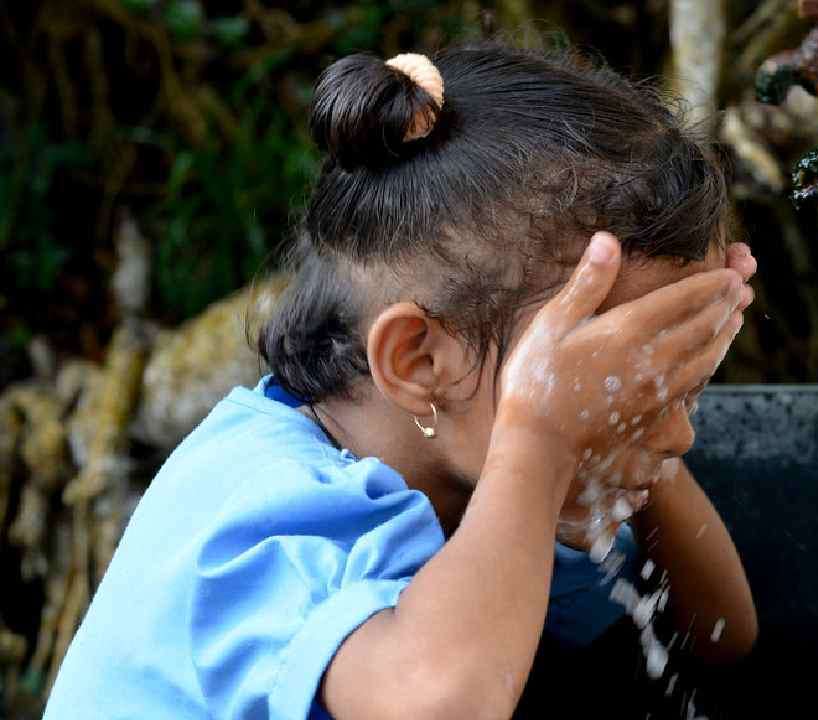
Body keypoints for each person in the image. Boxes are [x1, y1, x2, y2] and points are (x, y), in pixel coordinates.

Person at [46, 40, 758, 719]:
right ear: (419, 363)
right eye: (616, 385)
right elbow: (439, 705)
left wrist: (635, 417)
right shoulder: (255, 517)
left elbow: (719, 636)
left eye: (676, 396)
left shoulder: (470, 475)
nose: (681, 433)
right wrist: (546, 435)